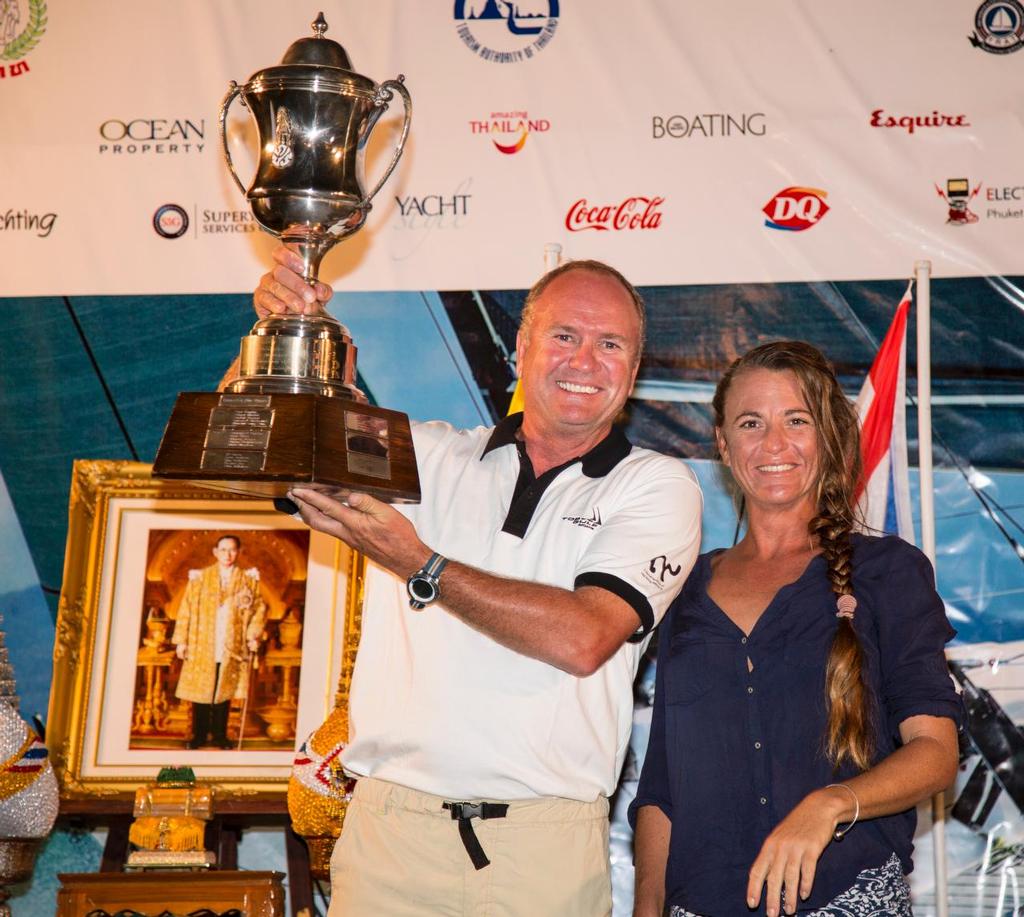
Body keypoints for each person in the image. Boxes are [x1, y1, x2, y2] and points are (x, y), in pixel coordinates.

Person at [253, 245, 703, 916]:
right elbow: (279, 454)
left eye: (610, 344)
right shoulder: (425, 453)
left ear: (633, 371)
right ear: (520, 348)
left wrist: (423, 565)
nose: (584, 360)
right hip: (388, 837)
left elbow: (584, 635)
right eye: (563, 336)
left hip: (542, 845)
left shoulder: (657, 484)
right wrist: (279, 341)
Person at [631, 341, 962, 917]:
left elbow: (935, 753)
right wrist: (646, 907)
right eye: (751, 422)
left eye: (796, 420)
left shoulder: (887, 572)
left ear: (826, 436)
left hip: (848, 894)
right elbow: (662, 785)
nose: (774, 444)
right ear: (723, 446)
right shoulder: (684, 590)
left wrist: (831, 804)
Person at [171, 534, 267, 749]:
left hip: (231, 643)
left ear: (238, 552)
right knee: (201, 690)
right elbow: (186, 608)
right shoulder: (200, 579)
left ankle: (220, 735)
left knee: (224, 690)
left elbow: (258, 609)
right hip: (202, 641)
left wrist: (253, 635)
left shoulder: (248, 580)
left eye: (232, 550)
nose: (228, 555)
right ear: (215, 552)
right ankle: (199, 735)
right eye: (223, 550)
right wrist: (182, 640)